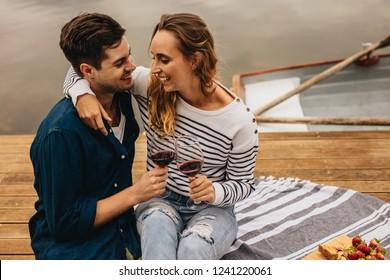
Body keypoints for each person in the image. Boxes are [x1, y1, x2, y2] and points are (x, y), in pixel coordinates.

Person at [64, 12, 259, 259]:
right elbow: (82, 69)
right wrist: (82, 94)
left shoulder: (239, 121)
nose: (154, 68)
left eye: (164, 60)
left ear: (194, 61)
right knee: (157, 229)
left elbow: (243, 185)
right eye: (153, 58)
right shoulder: (151, 85)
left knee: (193, 246)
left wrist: (214, 191)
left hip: (213, 211)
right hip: (160, 200)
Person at [29, 12, 168, 260]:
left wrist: (80, 90)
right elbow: (64, 223)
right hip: (75, 246)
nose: (132, 66)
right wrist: (136, 193)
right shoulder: (60, 134)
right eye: (119, 63)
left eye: (130, 54)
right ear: (88, 71)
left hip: (121, 225)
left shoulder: (121, 93)